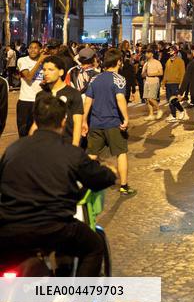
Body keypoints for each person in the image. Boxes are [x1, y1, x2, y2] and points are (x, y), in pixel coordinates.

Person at [0, 93, 117, 288]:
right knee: (94, 247)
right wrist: (111, 173)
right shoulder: (71, 153)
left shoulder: (13, 149)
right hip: (53, 228)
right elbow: (98, 178)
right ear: (64, 121)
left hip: (9, 228)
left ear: (36, 120)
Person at [82, 48, 135, 196]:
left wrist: (84, 120)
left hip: (95, 123)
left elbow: (88, 101)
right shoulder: (119, 79)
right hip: (114, 123)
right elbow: (120, 99)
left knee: (92, 154)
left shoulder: (95, 78)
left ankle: (83, 184)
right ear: (119, 61)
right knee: (121, 153)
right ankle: (124, 186)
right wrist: (126, 118)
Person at [36, 55, 85, 147]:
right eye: (44, 69)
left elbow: (78, 123)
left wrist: (75, 145)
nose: (46, 73)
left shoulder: (73, 94)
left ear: (61, 72)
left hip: (66, 143)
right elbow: (36, 123)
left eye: (51, 70)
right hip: (44, 144)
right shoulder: (41, 95)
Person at [16, 40, 44, 137]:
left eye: (35, 48)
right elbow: (28, 77)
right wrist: (39, 62)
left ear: (41, 50)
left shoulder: (46, 63)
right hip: (25, 102)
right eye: (30, 48)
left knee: (39, 133)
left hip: (40, 102)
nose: (32, 50)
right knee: (23, 132)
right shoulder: (22, 60)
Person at [163, 47, 187, 121]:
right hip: (168, 83)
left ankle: (181, 110)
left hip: (176, 83)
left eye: (171, 51)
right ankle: (173, 115)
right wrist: (163, 83)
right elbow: (166, 72)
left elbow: (183, 73)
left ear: (175, 52)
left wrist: (181, 84)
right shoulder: (168, 61)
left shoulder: (180, 61)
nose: (170, 53)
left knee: (174, 99)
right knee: (169, 100)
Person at [141, 47, 164, 120]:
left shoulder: (157, 62)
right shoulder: (146, 63)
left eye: (148, 53)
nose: (146, 54)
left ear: (152, 54)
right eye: (146, 53)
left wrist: (151, 74)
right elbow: (143, 74)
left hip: (154, 82)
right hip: (147, 82)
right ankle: (151, 114)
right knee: (147, 99)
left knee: (151, 98)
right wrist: (144, 72)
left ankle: (159, 109)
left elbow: (161, 72)